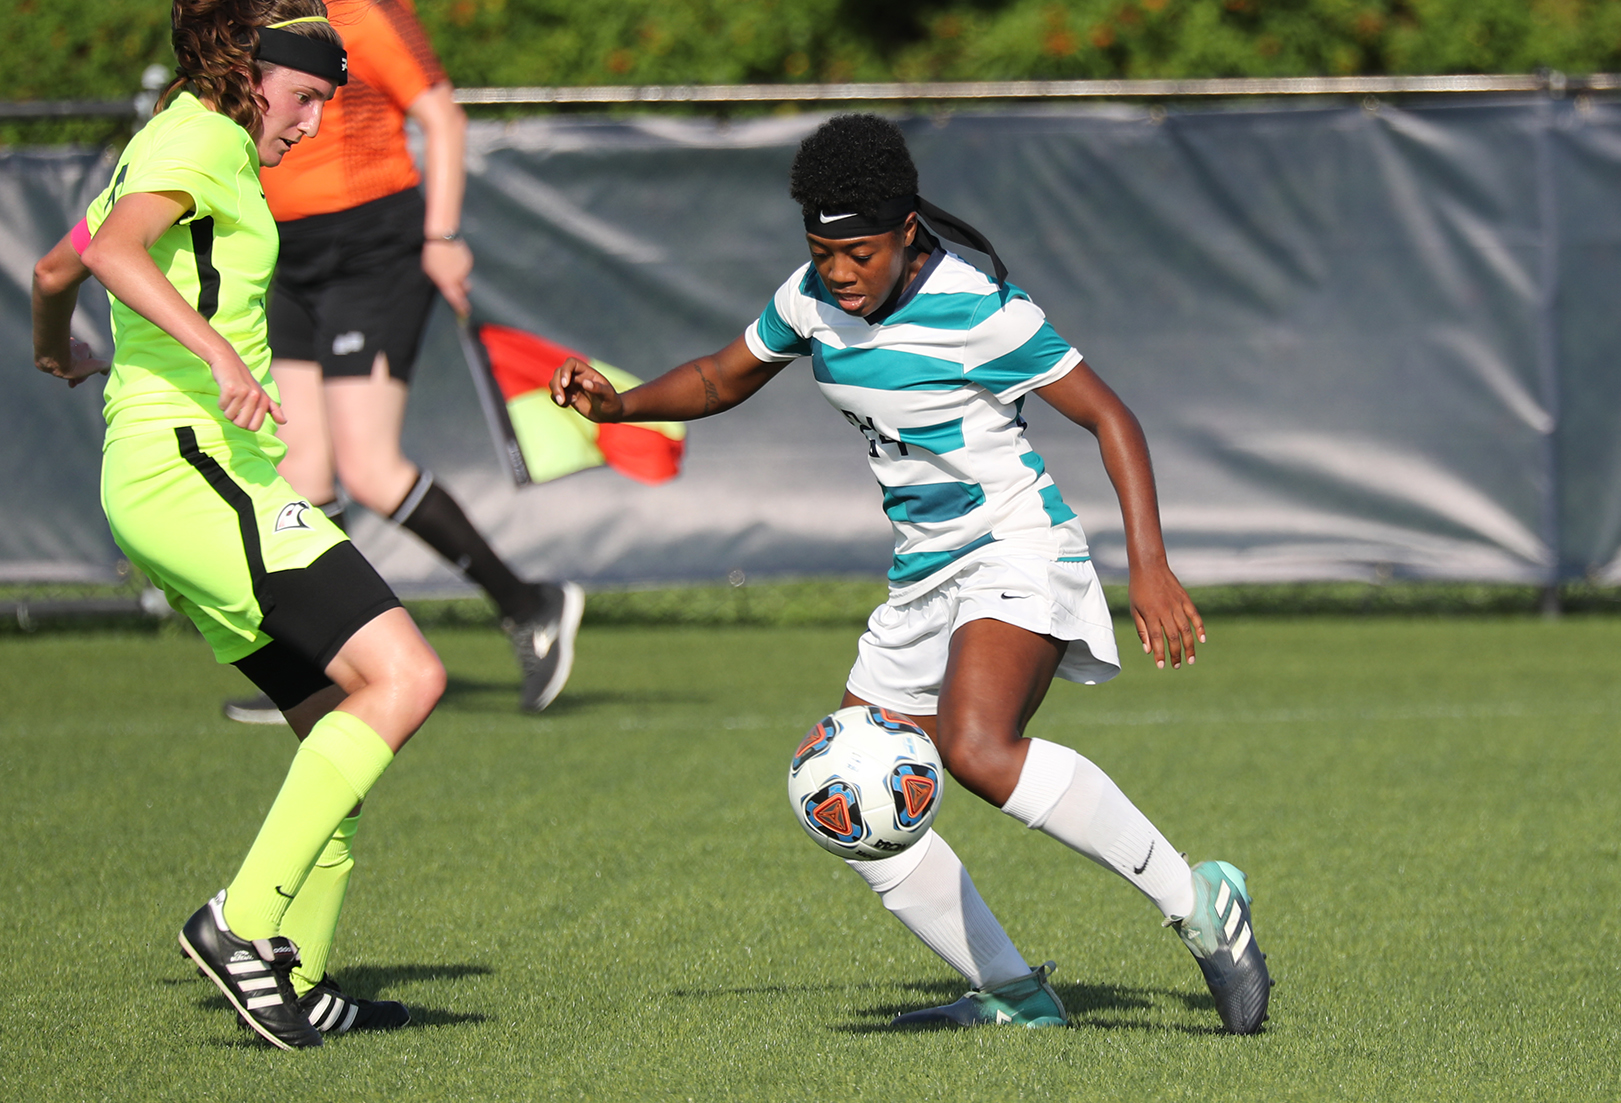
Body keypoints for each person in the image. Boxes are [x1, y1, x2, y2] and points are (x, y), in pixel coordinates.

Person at [551, 114, 1271, 1034]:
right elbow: (721, 378)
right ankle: (1014, 993)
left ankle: (1198, 901)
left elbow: (1112, 418)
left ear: (904, 231)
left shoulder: (977, 306)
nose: (839, 271)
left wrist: (1152, 565)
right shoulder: (810, 298)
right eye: (822, 249)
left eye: (857, 250)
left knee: (976, 748)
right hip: (922, 577)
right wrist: (621, 406)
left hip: (1017, 545)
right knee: (836, 792)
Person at [30, 0, 445, 1049]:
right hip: (193, 466)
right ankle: (240, 925)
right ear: (246, 70)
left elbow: (54, 268)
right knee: (407, 678)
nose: (308, 124)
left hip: (173, 475)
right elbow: (118, 254)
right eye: (303, 96)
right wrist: (216, 357)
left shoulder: (168, 140)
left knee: (337, 720)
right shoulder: (203, 137)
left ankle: (290, 981)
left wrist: (54, 348)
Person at [221, 0, 580, 724]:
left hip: (372, 250)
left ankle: (529, 602)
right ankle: (320, 666)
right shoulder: (244, 23)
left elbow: (442, 117)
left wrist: (441, 235)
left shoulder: (362, 16)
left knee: (370, 468)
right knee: (301, 473)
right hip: (282, 255)